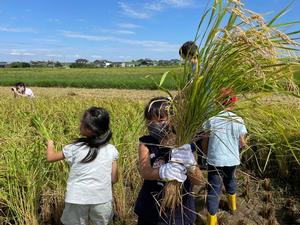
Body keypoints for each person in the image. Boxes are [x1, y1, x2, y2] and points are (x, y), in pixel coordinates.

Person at [134, 97, 203, 225]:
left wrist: (190, 164)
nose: (154, 124)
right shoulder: (146, 142)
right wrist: (163, 172)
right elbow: (145, 171)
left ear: (173, 119)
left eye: (160, 119)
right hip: (151, 210)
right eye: (150, 120)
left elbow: (198, 181)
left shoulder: (184, 144)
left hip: (180, 213)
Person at [46, 107, 118, 225]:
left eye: (82, 122)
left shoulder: (74, 147)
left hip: (77, 198)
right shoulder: (111, 150)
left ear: (90, 128)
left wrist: (50, 144)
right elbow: (114, 179)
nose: (79, 124)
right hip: (102, 199)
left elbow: (50, 157)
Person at [202, 88, 247, 225]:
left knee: (214, 188)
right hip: (232, 159)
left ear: (217, 103)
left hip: (214, 159)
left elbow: (205, 141)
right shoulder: (238, 120)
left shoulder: (211, 120)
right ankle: (232, 208)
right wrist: (243, 144)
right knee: (230, 182)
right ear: (232, 103)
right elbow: (242, 143)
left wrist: (205, 153)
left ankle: (212, 221)